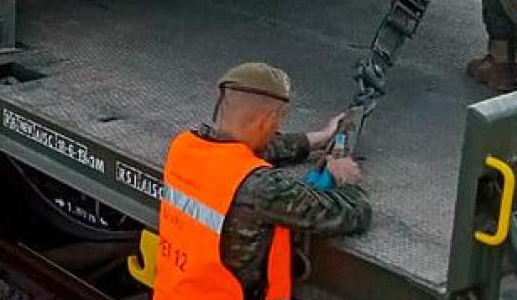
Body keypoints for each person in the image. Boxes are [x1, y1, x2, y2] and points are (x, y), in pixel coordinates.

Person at [155, 62, 371, 300]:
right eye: (278, 121)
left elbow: (243, 151)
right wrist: (346, 178)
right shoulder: (262, 188)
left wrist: (316, 139)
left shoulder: (183, 148)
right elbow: (351, 214)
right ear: (269, 120)